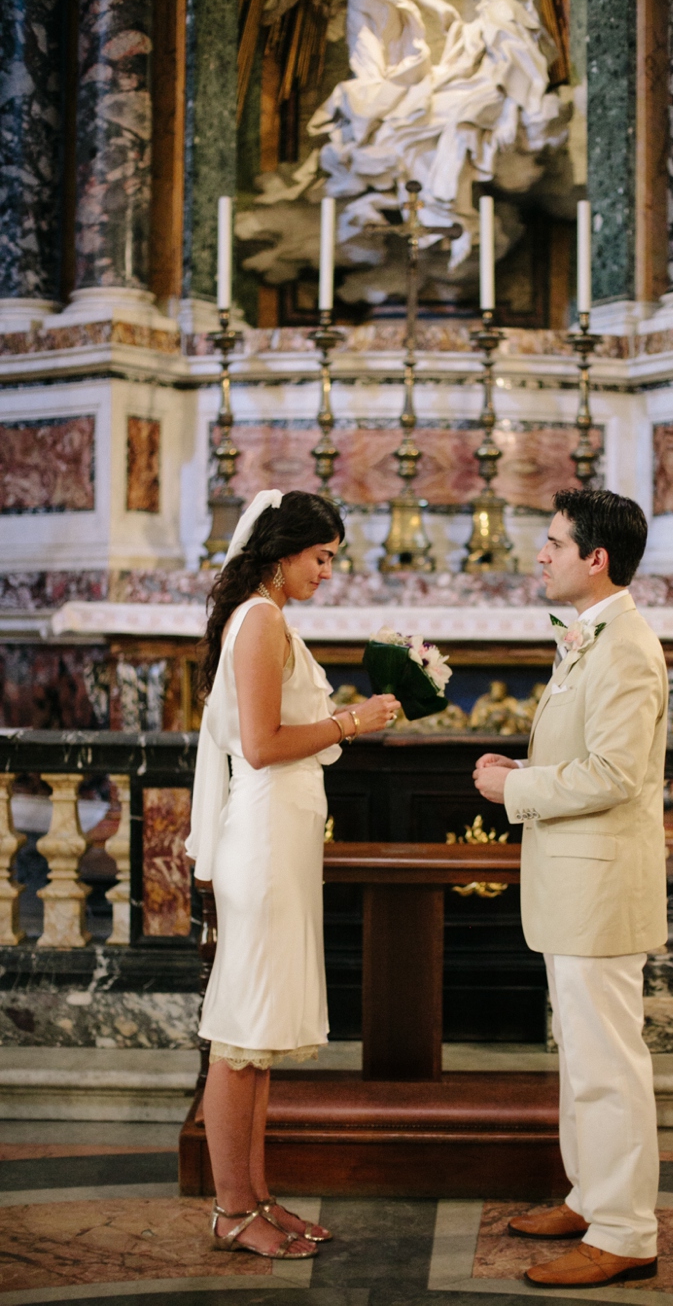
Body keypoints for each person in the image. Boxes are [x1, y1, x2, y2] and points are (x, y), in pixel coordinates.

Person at [186, 490, 398, 1260]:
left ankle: (257, 1195)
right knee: (240, 1032)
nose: (328, 571)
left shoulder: (267, 617)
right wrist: (353, 721)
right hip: (264, 839)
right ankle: (230, 1209)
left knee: (259, 1034)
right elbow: (263, 741)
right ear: (283, 552)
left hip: (283, 836)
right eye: (322, 557)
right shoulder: (261, 617)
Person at [473, 488, 667, 1289]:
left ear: (597, 557)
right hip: (573, 886)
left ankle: (625, 1231)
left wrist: (514, 793)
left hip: (601, 890)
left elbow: (615, 775)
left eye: (554, 542)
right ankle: (591, 1197)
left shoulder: (624, 645)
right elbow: (585, 757)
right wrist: (530, 771)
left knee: (608, 1066)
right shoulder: (591, 637)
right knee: (582, 1059)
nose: (540, 554)